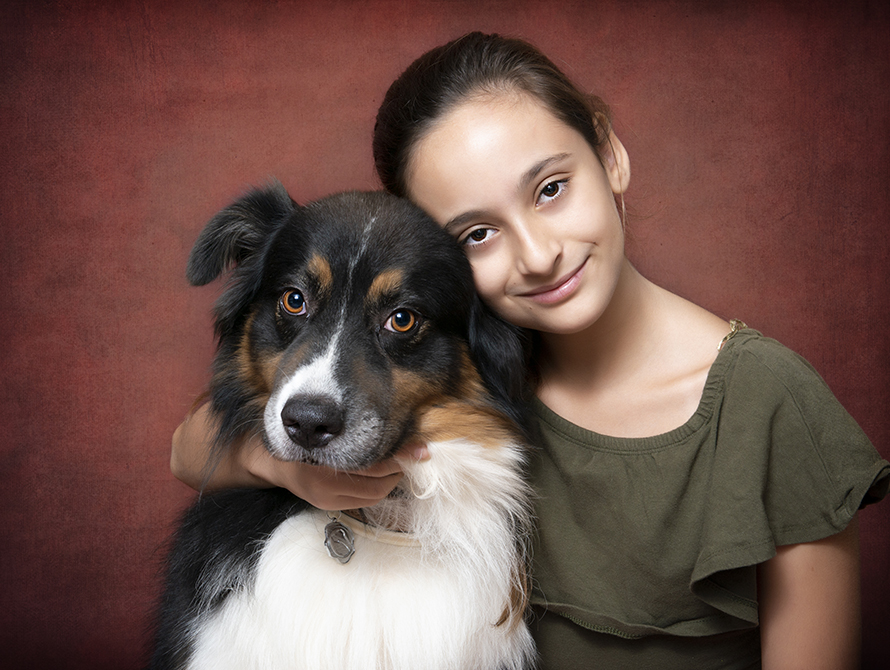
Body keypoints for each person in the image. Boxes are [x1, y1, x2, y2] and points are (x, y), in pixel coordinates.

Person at [171, 32, 889, 669]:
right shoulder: (469, 370)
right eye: (477, 233)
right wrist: (290, 470)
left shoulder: (767, 399)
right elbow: (192, 444)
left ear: (609, 155)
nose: (540, 255)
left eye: (550, 188)